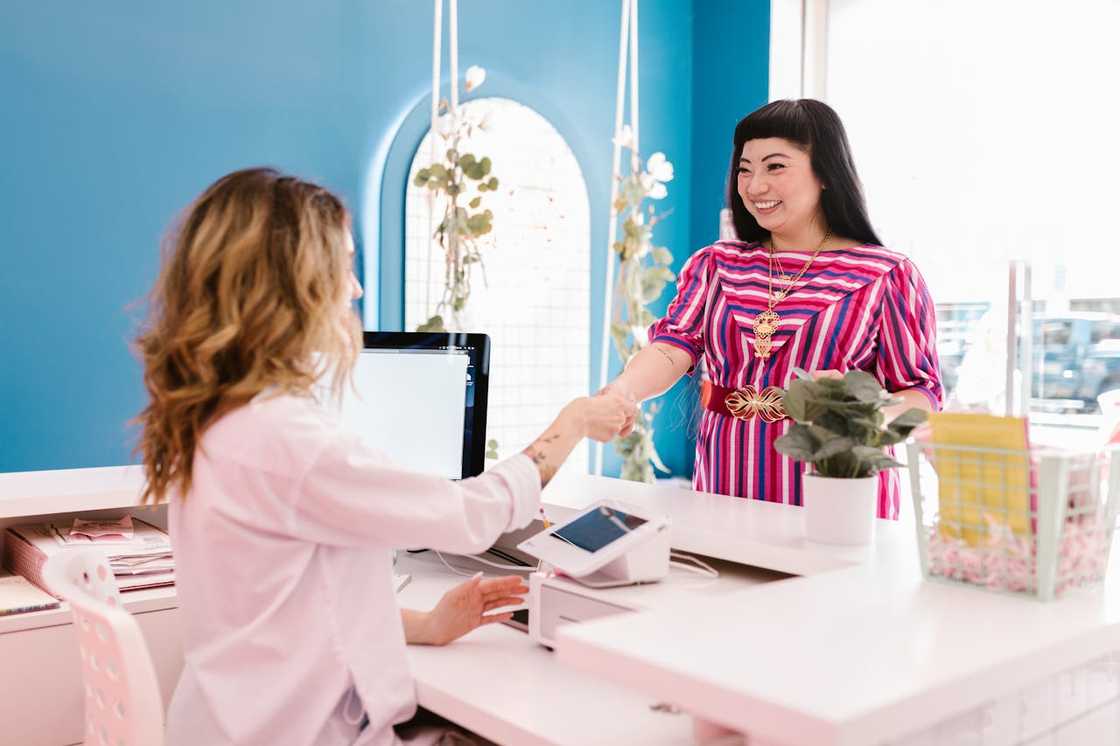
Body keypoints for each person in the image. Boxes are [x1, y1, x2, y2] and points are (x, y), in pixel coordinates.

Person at [134, 168, 634, 746]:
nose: (356, 290)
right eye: (342, 267)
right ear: (292, 285)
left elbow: (287, 610)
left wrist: (429, 626)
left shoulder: (218, 420)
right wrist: (571, 423)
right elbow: (469, 515)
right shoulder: (286, 440)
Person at [605, 99, 942, 519]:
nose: (754, 185)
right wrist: (624, 391)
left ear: (825, 172)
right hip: (724, 490)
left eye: (775, 167)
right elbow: (672, 346)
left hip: (837, 502)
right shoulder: (716, 265)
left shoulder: (888, 274)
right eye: (745, 169)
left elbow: (922, 392)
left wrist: (862, 416)